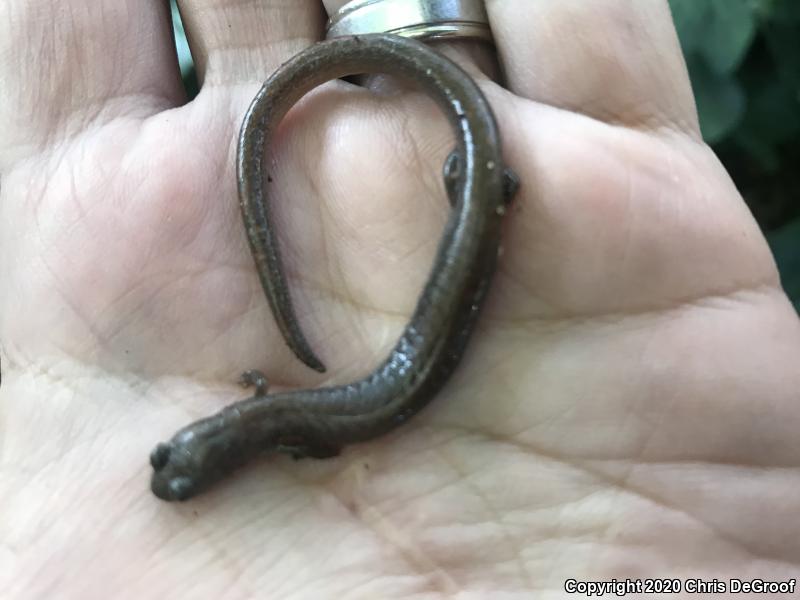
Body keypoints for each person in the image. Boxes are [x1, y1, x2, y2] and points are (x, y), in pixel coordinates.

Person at [1, 0, 798, 596]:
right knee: (475, 191)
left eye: (171, 463)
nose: (175, 473)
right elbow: (298, 429)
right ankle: (475, 181)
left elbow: (315, 441)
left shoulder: (298, 436)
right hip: (472, 188)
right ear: (221, 436)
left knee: (478, 200)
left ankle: (477, 185)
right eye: (185, 467)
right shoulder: (275, 418)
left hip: (479, 200)